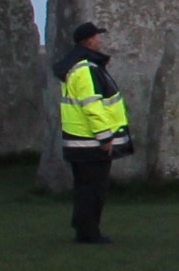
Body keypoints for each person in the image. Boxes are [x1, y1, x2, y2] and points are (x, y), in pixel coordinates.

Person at [54, 22, 130, 244]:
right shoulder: (87, 69)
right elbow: (92, 105)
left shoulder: (74, 67)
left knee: (84, 187)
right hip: (90, 141)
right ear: (89, 41)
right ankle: (89, 232)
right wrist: (105, 136)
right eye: (97, 37)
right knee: (94, 189)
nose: (100, 41)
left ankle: (83, 228)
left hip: (78, 139)